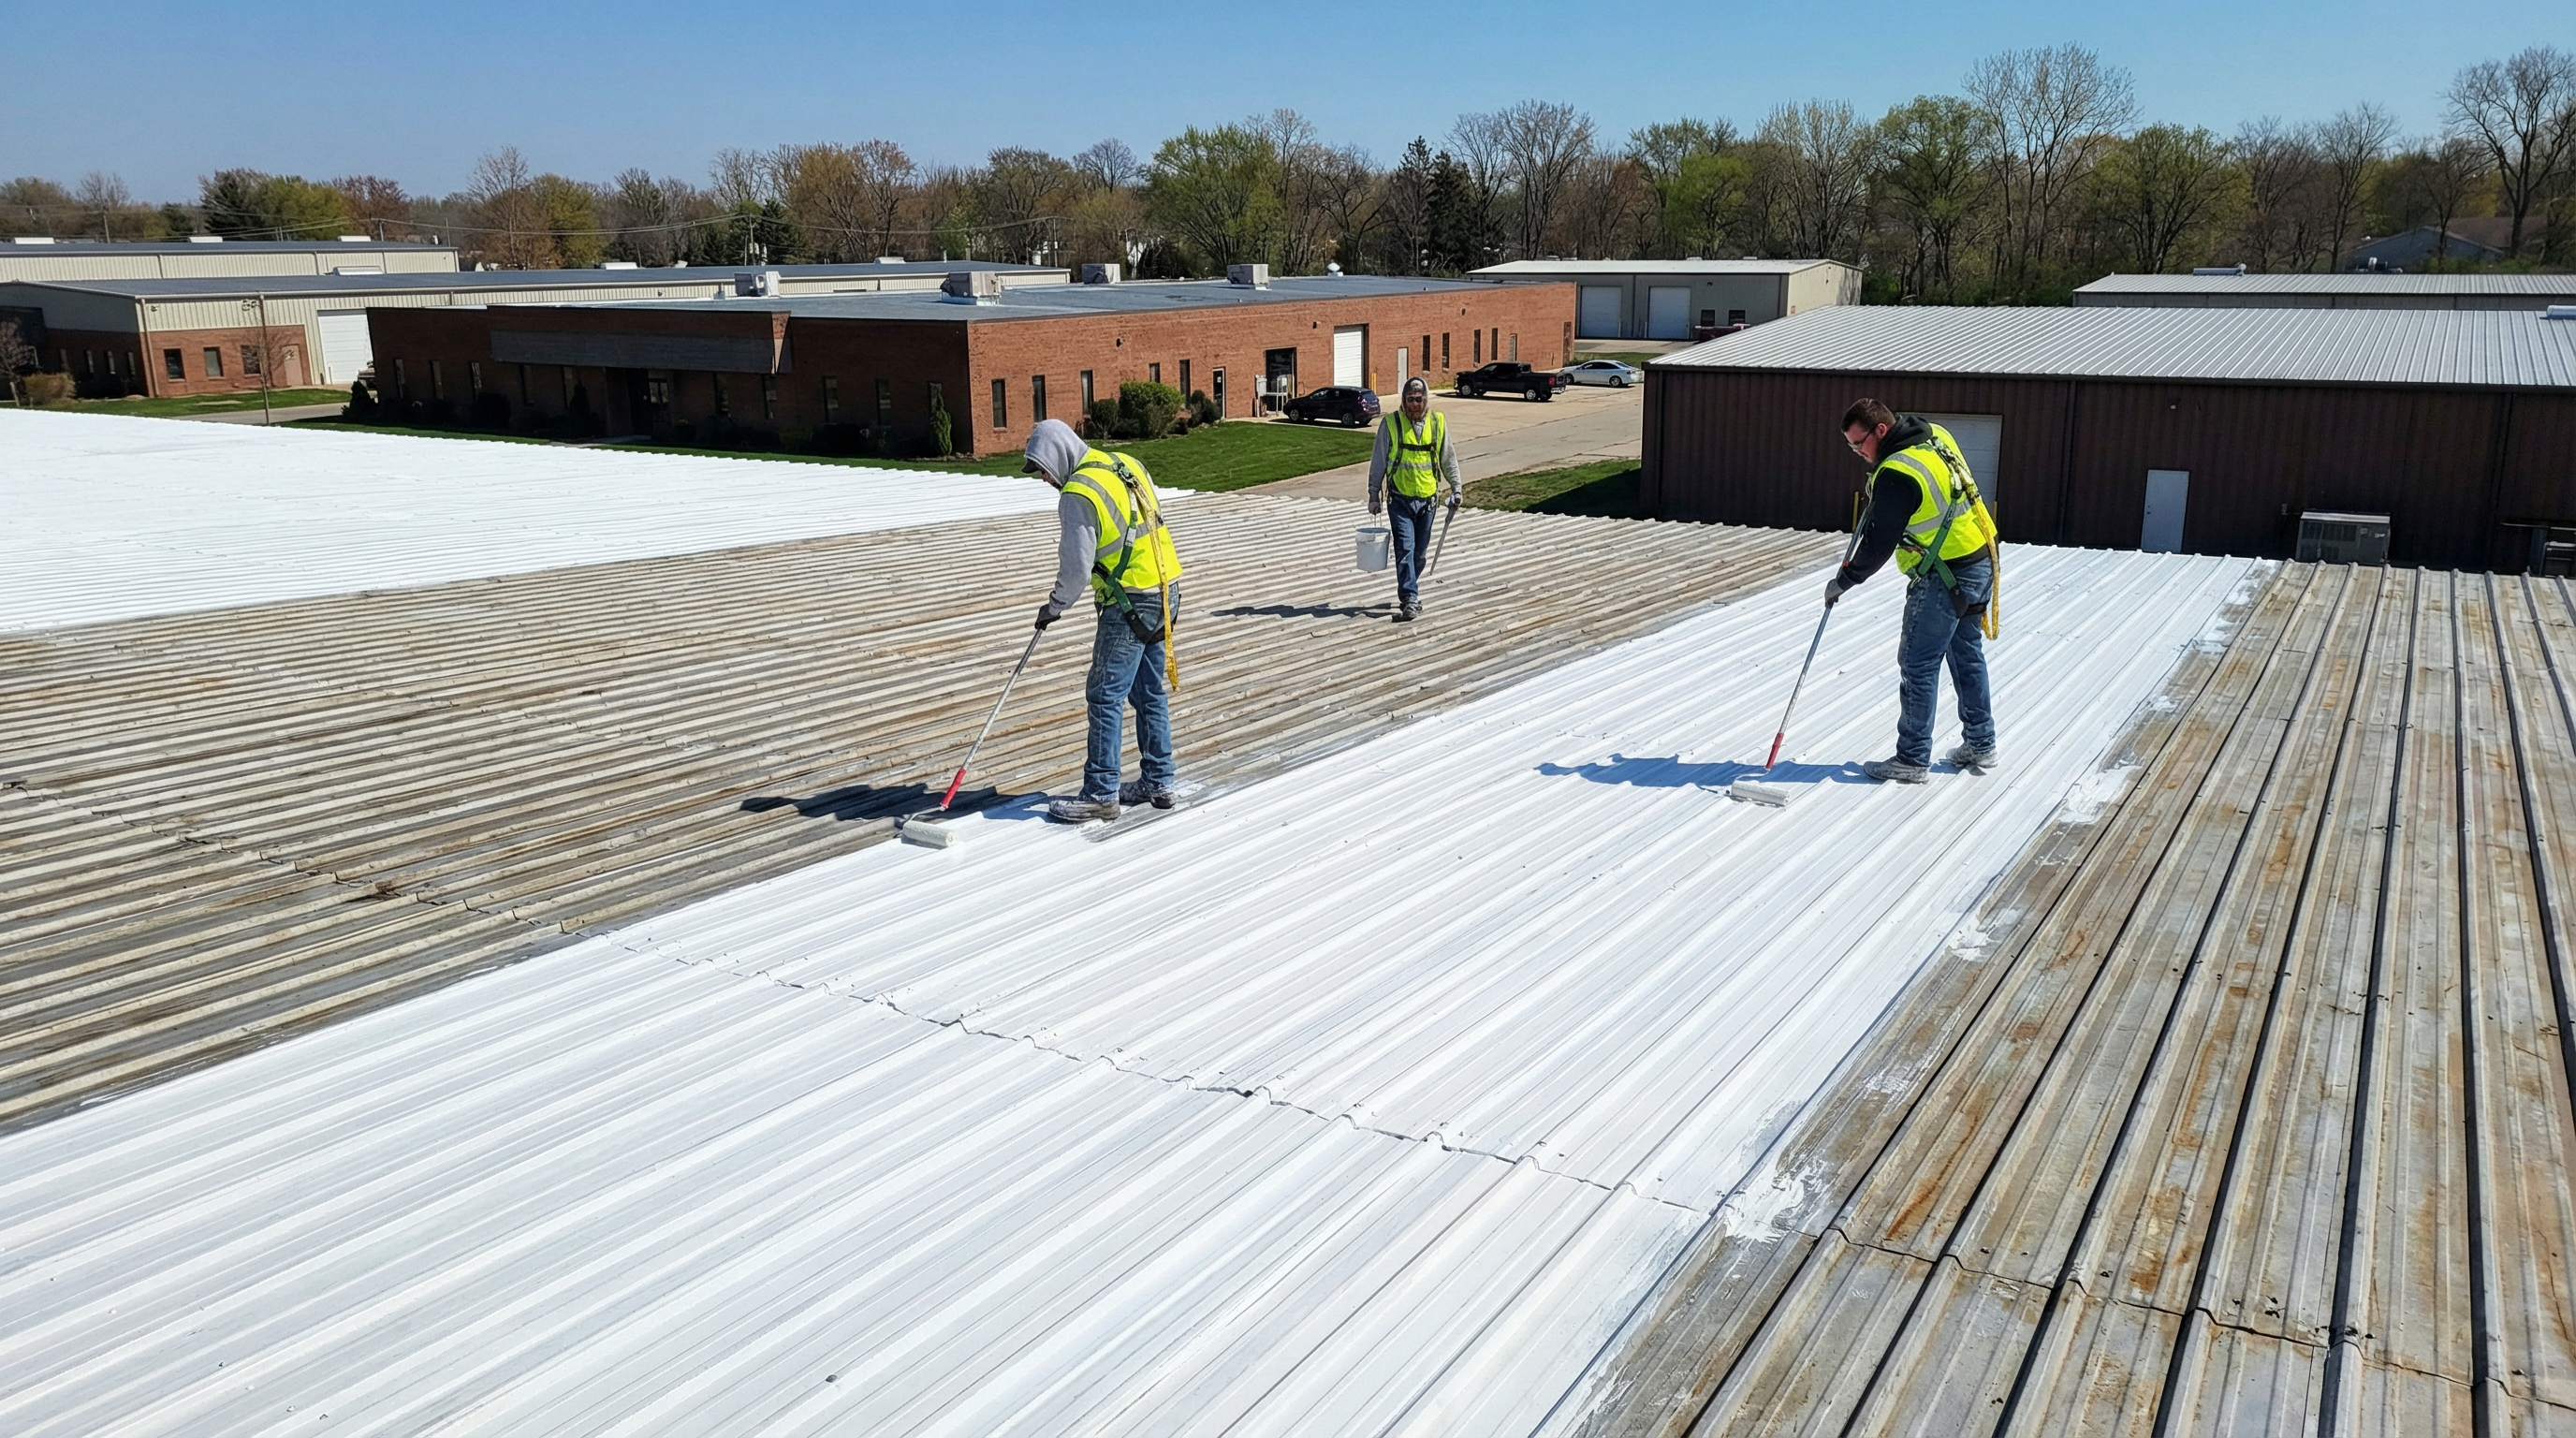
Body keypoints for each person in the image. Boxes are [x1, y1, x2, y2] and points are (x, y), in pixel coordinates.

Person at [1826, 398, 1998, 784]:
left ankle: (1913, 759)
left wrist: (1845, 579)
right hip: (1981, 557)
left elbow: (1878, 543)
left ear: (1881, 431)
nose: (1857, 453)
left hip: (1945, 573)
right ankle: (1981, 743)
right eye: (1851, 446)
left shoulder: (1897, 473)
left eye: (1859, 444)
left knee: (1918, 665)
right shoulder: (1934, 434)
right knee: (1966, 654)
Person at [1021, 417, 1185, 822]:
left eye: (1042, 470)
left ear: (1056, 457)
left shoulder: (1078, 493)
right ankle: (1159, 781)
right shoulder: (1124, 463)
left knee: (1104, 696)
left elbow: (1076, 570)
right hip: (1166, 589)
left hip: (1128, 603)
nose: (1044, 479)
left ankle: (1100, 792)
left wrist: (1054, 607)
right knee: (1149, 691)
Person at [1367, 375, 1461, 621]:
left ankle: (1409, 587)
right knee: (1405, 550)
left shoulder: (1438, 422)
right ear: (1403, 400)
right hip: (1399, 501)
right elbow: (1378, 461)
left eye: (1419, 399)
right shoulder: (1390, 424)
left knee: (1419, 554)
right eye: (1411, 399)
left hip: (1429, 502)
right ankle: (1409, 598)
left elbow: (1448, 458)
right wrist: (1373, 494)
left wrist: (1457, 488)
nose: (1415, 404)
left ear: (1426, 399)